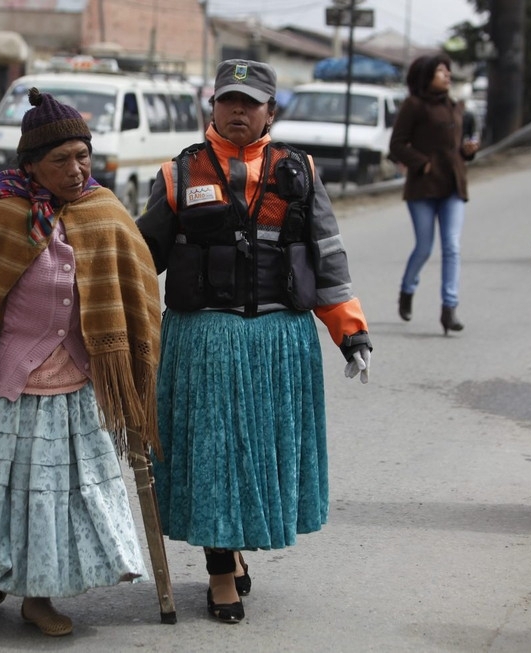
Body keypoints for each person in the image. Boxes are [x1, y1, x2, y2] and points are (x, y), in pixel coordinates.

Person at [0, 87, 161, 636]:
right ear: (30, 166)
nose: (76, 169)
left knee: (54, 496)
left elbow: (133, 288)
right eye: (60, 160)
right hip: (2, 384)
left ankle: (39, 595)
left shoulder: (104, 211)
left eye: (82, 156)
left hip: (73, 383)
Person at [135, 59, 373, 624]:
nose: (237, 111)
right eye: (227, 100)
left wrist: (351, 331)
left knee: (254, 458)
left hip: (279, 345)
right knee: (215, 457)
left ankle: (232, 548)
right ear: (211, 106)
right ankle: (221, 572)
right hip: (203, 343)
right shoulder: (178, 174)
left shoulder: (300, 172)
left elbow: (327, 260)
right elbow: (141, 262)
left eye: (250, 102)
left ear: (271, 111)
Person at [389, 52, 479, 334]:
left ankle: (449, 308)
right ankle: (407, 289)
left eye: (448, 71)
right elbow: (397, 145)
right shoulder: (413, 106)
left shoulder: (455, 106)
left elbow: (456, 147)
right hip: (423, 186)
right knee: (425, 247)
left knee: (452, 246)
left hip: (453, 185)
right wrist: (422, 163)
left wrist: (467, 152)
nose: (448, 76)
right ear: (426, 76)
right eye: (442, 71)